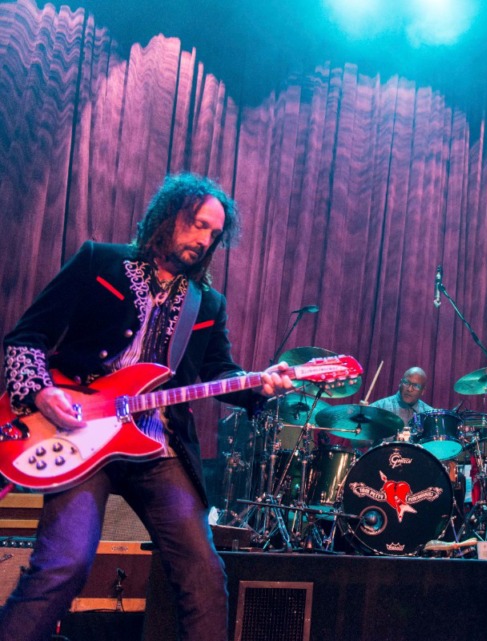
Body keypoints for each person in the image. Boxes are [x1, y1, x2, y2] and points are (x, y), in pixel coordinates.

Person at [0, 174, 294, 641]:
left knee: (203, 573)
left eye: (214, 234)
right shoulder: (100, 261)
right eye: (198, 225)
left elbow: (218, 373)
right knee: (64, 564)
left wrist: (259, 386)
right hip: (79, 432)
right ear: (169, 215)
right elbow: (25, 338)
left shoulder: (207, 303)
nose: (204, 239)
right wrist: (41, 393)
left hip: (156, 443)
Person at [369, 366, 434, 433]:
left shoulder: (431, 415)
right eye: (406, 383)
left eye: (416, 386)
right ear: (400, 383)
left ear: (423, 391)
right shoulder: (379, 408)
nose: (409, 389)